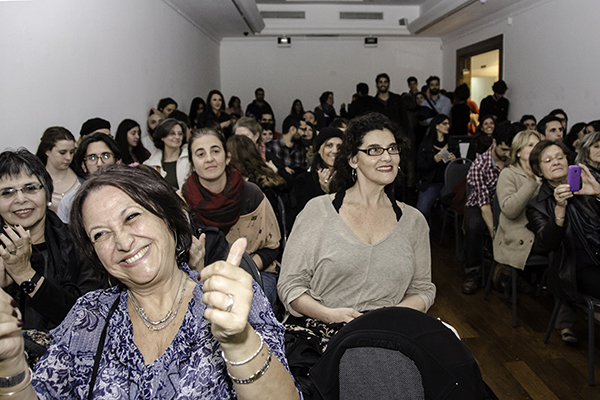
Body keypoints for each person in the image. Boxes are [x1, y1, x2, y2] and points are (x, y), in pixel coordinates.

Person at [0, 164, 300, 398]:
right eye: (100, 234)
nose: (123, 241)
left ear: (169, 217)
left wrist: (239, 342)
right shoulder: (89, 316)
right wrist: (11, 363)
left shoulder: (227, 301)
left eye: (131, 217)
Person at [278, 112, 435, 347]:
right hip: (324, 334)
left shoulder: (414, 221)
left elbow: (423, 289)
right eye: (374, 150)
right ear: (353, 159)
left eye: (392, 149)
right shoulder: (318, 211)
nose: (387, 157)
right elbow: (290, 286)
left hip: (390, 333)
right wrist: (329, 315)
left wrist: (387, 317)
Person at [0, 149, 99, 335]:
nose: (20, 199)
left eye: (30, 188)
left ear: (47, 194)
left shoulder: (80, 241)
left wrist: (25, 275)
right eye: (7, 192)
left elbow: (88, 318)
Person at [182, 128, 282, 305]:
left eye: (215, 151)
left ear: (227, 157)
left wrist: (241, 269)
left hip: (254, 271)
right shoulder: (182, 201)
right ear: (192, 163)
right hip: (199, 275)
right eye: (200, 154)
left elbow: (272, 246)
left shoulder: (252, 194)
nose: (209, 159)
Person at [526, 140, 600, 344]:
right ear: (539, 170)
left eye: (560, 157)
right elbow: (544, 245)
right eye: (548, 160)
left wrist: (599, 193)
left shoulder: (590, 182)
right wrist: (559, 209)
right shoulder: (537, 205)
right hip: (575, 266)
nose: (556, 162)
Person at [462, 122, 517, 294]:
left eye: (511, 150)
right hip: (480, 204)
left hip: (505, 204)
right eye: (504, 150)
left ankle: (515, 273)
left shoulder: (513, 161)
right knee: (473, 225)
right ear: (494, 143)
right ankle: (474, 271)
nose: (508, 154)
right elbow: (484, 204)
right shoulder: (479, 165)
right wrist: (495, 235)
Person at [492, 130, 542, 292]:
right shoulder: (508, 174)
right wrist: (532, 182)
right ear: (519, 152)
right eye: (530, 145)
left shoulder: (545, 174)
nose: (536, 148)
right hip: (515, 233)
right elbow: (510, 210)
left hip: (540, 230)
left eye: (538, 144)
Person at [56, 132, 122, 223]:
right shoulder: (70, 202)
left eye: (106, 156)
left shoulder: (132, 192)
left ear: (117, 161)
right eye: (92, 157)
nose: (100, 164)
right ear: (83, 165)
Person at [416, 115, 459, 222]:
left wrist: (455, 160)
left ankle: (447, 234)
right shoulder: (426, 144)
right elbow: (420, 166)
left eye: (449, 123)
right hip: (431, 182)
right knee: (421, 211)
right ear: (436, 126)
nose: (448, 126)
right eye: (444, 123)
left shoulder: (453, 142)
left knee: (450, 211)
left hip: (448, 183)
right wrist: (433, 160)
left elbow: (460, 165)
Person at [293, 127, 344, 215]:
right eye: (329, 145)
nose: (335, 151)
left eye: (339, 147)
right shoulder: (304, 180)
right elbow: (306, 215)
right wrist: (324, 192)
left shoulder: (349, 178)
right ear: (319, 149)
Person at [35, 127, 82, 213]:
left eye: (71, 152)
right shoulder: (36, 179)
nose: (68, 158)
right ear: (47, 151)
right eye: (62, 153)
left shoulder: (81, 176)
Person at [144, 118, 190, 190]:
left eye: (180, 134)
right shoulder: (151, 164)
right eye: (172, 133)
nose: (177, 137)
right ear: (162, 137)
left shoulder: (190, 158)